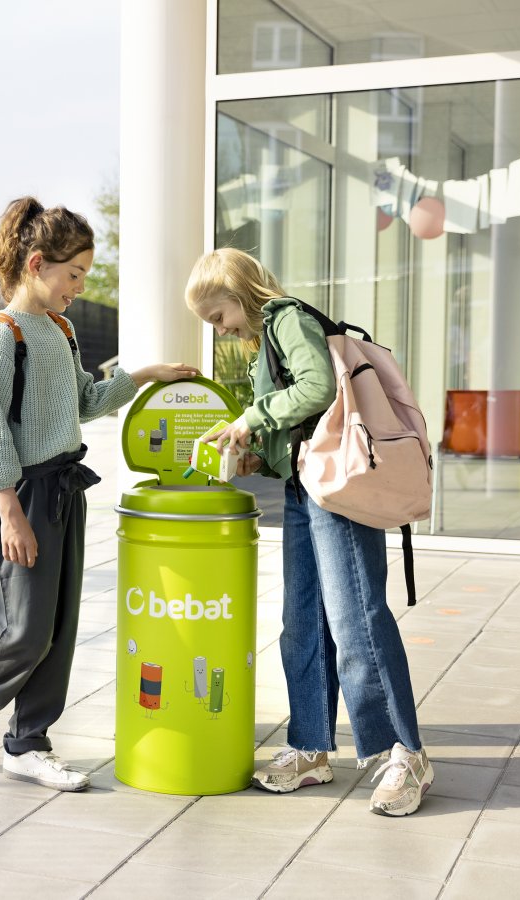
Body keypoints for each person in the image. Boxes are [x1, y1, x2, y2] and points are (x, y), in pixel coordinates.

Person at [0, 197, 200, 791]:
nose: (79, 285)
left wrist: (144, 375)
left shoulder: (61, 328)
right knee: (25, 629)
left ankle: (28, 743)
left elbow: (83, 401)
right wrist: (10, 514)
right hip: (22, 495)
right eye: (73, 274)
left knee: (59, 625)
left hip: (64, 486)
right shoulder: (0, 338)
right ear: (36, 264)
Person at [183, 247, 433, 817]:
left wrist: (250, 418)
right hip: (304, 487)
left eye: (218, 317)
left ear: (239, 292)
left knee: (357, 621)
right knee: (303, 623)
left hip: (336, 491)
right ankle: (311, 747)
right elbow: (299, 424)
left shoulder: (286, 318)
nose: (221, 331)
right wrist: (256, 457)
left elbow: (318, 388)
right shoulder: (264, 342)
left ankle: (404, 752)